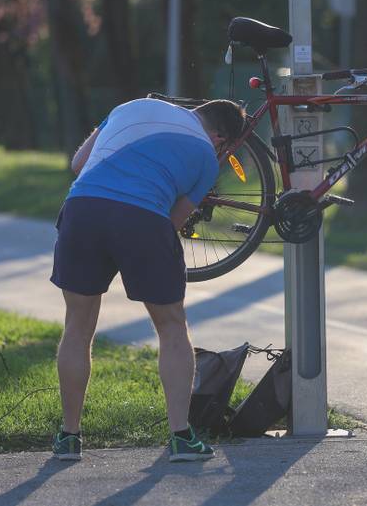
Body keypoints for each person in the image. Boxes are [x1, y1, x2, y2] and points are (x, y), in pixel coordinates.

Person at [49, 97, 246, 463]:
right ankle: (181, 438)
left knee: (77, 325)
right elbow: (172, 222)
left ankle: (69, 438)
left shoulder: (131, 106)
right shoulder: (206, 156)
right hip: (143, 218)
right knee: (172, 326)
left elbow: (79, 164)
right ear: (220, 139)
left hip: (83, 208)